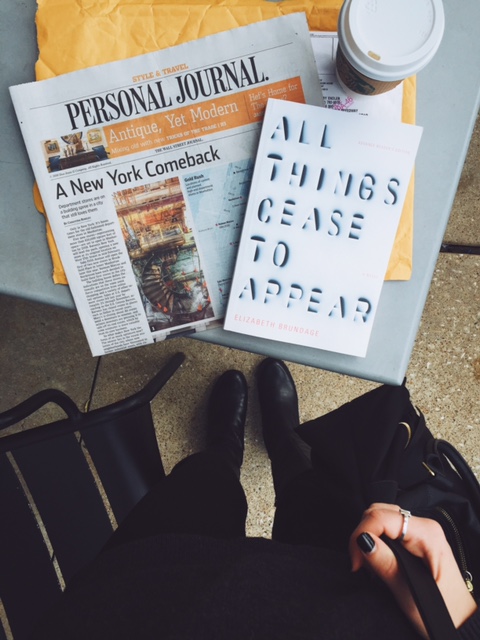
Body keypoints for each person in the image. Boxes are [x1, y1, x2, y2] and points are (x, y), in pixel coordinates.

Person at [32, 359, 479, 639]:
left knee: (202, 486)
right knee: (308, 502)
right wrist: (461, 628)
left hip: (143, 600)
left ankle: (227, 448)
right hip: (341, 595)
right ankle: (282, 443)